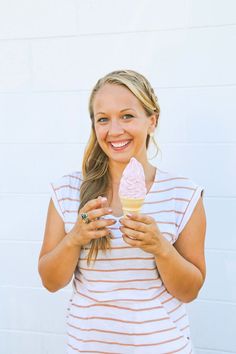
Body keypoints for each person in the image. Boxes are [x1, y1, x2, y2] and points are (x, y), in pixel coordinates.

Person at [38, 69, 206, 353]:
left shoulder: (183, 193)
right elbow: (51, 282)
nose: (114, 130)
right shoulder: (66, 190)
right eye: (103, 119)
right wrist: (75, 238)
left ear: (152, 121)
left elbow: (189, 291)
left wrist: (161, 248)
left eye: (127, 115)